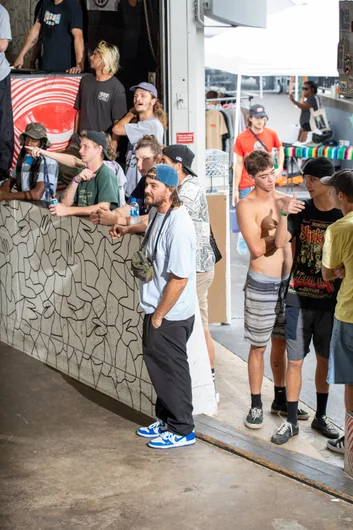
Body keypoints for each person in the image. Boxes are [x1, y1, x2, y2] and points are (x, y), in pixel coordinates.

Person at [117, 164, 197, 450]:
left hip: (169, 314)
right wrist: (126, 228)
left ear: (170, 190)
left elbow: (180, 278)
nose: (147, 190)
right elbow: (147, 226)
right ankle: (166, 420)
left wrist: (159, 316)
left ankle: (183, 429)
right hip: (157, 309)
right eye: (146, 184)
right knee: (161, 370)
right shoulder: (157, 212)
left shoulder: (179, 226)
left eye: (153, 186)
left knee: (172, 370)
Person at [271, 157, 342, 445]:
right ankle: (290, 420)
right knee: (296, 361)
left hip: (330, 301)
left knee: (324, 361)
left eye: (311, 179)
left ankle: (321, 416)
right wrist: (283, 212)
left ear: (327, 182)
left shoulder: (342, 215)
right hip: (298, 297)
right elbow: (278, 243)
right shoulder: (300, 210)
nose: (306, 184)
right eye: (305, 178)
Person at [236, 150, 307, 429]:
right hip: (262, 282)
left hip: (287, 283)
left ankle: (280, 398)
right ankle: (256, 404)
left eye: (272, 173)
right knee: (259, 346)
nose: (270, 180)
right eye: (263, 176)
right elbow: (256, 249)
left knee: (282, 344)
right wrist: (280, 220)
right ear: (252, 177)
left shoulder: (286, 200)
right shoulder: (246, 205)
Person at [162, 145, 217, 395]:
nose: (158, 164)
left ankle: (207, 378)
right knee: (197, 324)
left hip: (197, 269)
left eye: (163, 160)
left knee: (198, 325)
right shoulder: (181, 188)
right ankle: (205, 378)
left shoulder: (190, 189)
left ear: (177, 164)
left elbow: (169, 215)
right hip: (193, 267)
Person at [321, 169, 353, 455]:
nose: (329, 193)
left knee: (351, 381)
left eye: (332, 190)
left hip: (349, 315)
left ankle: (351, 444)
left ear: (341, 196)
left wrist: (340, 269)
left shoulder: (338, 228)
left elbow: (328, 273)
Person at [27, 131, 120, 216]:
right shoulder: (81, 172)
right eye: (81, 147)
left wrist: (68, 210)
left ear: (99, 149)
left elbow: (103, 208)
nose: (80, 151)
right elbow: (65, 203)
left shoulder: (106, 173)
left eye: (85, 147)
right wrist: (76, 180)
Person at [90, 134, 163, 226]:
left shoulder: (165, 183)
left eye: (145, 159)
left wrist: (116, 219)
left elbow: (153, 218)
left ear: (158, 159)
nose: (139, 165)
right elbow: (132, 208)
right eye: (136, 159)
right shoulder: (144, 180)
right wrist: (109, 214)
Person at [112, 82, 167, 197]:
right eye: (135, 96)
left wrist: (131, 113)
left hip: (143, 187)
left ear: (153, 101)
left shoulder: (152, 124)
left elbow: (117, 129)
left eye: (143, 95)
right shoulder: (141, 124)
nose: (138, 99)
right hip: (132, 186)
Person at [74, 40, 127, 152]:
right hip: (82, 142)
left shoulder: (117, 88)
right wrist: (75, 137)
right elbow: (78, 111)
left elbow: (118, 124)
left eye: (95, 55)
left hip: (101, 146)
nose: (91, 57)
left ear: (104, 60)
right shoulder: (85, 80)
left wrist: (111, 150)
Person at [14, 0, 84, 74]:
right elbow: (35, 31)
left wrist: (80, 65)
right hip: (46, 66)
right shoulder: (46, 3)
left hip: (65, 69)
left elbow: (78, 37)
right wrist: (21, 55)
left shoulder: (73, 6)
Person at [233, 104, 284, 204]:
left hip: (267, 182)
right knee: (248, 215)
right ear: (250, 118)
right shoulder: (241, 138)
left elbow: (280, 148)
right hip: (247, 184)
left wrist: (280, 167)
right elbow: (238, 163)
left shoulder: (271, 133)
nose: (260, 121)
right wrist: (235, 189)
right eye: (257, 118)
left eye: (262, 117)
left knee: (267, 215)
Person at [0, 123, 58, 202]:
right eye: (27, 139)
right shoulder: (24, 159)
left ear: (42, 143)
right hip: (24, 206)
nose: (29, 143)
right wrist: (2, 193)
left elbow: (37, 194)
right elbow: (10, 181)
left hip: (42, 208)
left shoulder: (48, 161)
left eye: (34, 140)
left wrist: (6, 196)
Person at [0, 4, 14, 181]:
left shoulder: (1, 12)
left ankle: (2, 171)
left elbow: (3, 44)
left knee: (3, 124)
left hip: (0, 77)